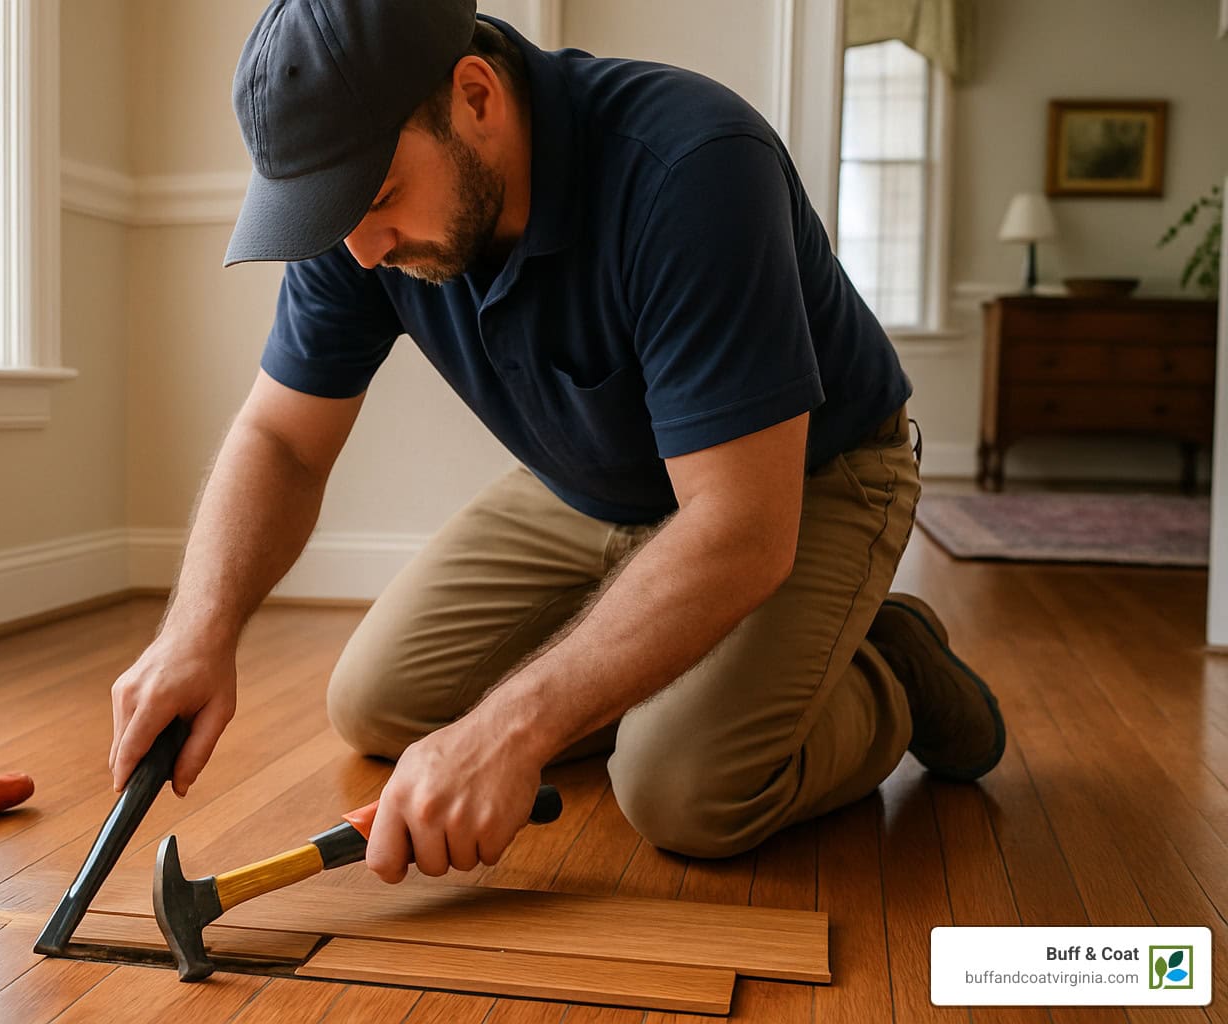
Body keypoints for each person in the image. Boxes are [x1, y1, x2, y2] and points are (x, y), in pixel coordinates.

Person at [108, 0, 1005, 884]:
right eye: (333, 218)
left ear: (475, 98)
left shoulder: (692, 165)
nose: (367, 250)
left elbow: (739, 525)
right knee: (377, 706)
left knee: (681, 792)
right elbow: (282, 438)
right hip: (589, 483)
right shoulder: (354, 226)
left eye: (379, 197)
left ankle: (885, 667)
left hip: (804, 480)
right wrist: (198, 628)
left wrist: (513, 729)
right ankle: (693, 672)